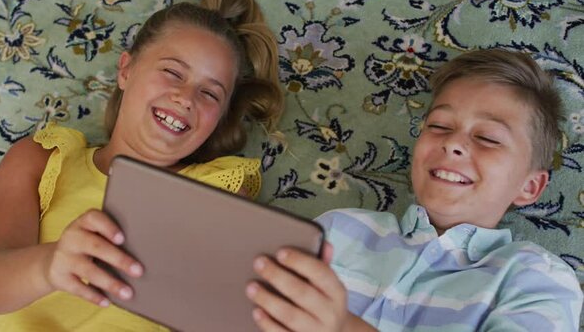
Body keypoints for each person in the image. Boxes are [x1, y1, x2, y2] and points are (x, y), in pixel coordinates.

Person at [0, 0, 283, 331]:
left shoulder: (217, 193)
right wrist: (50, 264)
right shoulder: (42, 159)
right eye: (173, 72)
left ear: (220, 119)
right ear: (126, 70)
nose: (186, 97)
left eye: (210, 93)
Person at [245, 49, 584, 331]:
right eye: (439, 126)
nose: (452, 143)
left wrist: (342, 326)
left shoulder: (535, 276)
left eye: (488, 138)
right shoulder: (338, 229)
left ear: (530, 186)